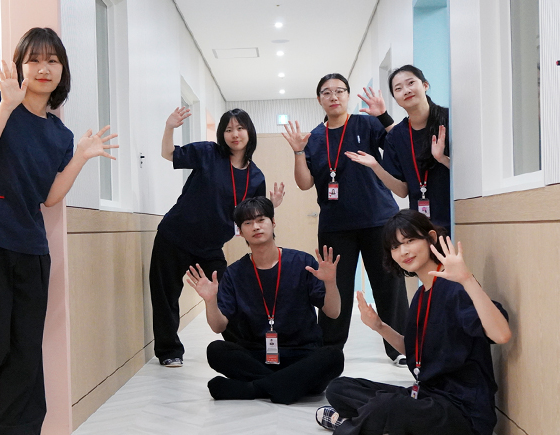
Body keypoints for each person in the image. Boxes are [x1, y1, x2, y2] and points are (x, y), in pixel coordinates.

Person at [0, 27, 118, 435]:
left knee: (25, 344)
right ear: (19, 66)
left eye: (52, 60)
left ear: (62, 70)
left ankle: (17, 431)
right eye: (33, 60)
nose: (43, 68)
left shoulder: (59, 134)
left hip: (30, 244)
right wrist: (7, 105)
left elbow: (49, 197)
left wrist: (80, 156)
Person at [316, 210, 511, 435]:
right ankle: (388, 428)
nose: (404, 251)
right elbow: (414, 351)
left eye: (410, 241)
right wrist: (379, 326)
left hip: (464, 412)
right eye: (395, 247)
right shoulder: (421, 295)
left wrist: (467, 279)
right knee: (339, 387)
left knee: (387, 406)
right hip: (426, 397)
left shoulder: (456, 289)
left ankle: (349, 425)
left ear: (431, 239)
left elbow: (501, 335)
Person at [282, 73, 408, 365]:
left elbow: (399, 145)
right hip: (335, 226)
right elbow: (304, 183)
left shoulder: (366, 124)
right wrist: (298, 151)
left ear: (348, 96)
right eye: (327, 92)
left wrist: (384, 115)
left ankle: (400, 347)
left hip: (379, 220)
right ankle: (329, 350)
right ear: (319, 99)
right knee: (334, 287)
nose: (334, 96)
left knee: (390, 286)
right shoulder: (314, 137)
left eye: (340, 91)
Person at [151, 108, 284, 367]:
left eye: (240, 128)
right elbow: (168, 154)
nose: (235, 134)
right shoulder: (208, 153)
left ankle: (242, 348)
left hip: (211, 246)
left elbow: (253, 217)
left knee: (226, 294)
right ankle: (169, 351)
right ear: (222, 134)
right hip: (174, 235)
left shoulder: (256, 176)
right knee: (166, 296)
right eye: (228, 129)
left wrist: (271, 206)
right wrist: (169, 127)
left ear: (249, 132)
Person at [185, 197, 344, 404]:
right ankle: (287, 385)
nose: (256, 227)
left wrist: (330, 283)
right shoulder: (234, 273)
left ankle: (253, 388)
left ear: (273, 222)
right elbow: (218, 327)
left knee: (333, 356)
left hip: (301, 353)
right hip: (256, 355)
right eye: (248, 223)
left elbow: (333, 312)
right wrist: (210, 301)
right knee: (216, 350)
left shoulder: (302, 262)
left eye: (261, 220)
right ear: (240, 231)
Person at [347, 65, 451, 234]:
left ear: (425, 85)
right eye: (398, 88)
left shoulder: (450, 119)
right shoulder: (396, 136)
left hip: (458, 215)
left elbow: (469, 174)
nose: (406, 90)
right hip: (421, 226)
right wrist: (376, 166)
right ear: (395, 98)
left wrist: (443, 159)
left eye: (411, 83)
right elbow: (402, 191)